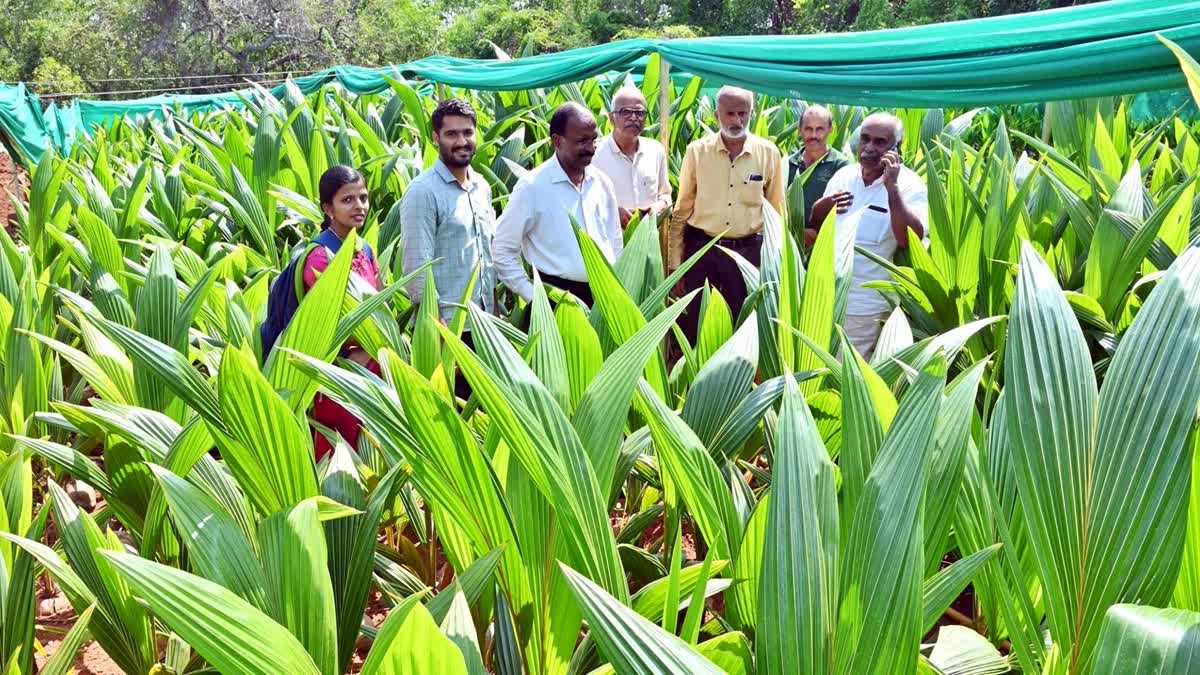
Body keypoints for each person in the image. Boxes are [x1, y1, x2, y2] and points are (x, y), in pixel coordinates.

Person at [669, 85, 785, 339]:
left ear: (752, 112)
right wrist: (676, 263)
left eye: (742, 113)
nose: (736, 120)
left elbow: (777, 213)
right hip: (702, 252)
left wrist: (778, 265)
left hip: (747, 253)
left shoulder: (768, 153)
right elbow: (682, 209)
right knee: (697, 327)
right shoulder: (697, 152)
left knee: (744, 327)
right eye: (729, 113)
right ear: (716, 114)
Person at [810, 113, 928, 359]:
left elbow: (910, 239)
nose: (869, 147)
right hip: (825, 294)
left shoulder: (910, 186)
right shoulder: (844, 176)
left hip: (865, 306)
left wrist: (891, 187)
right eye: (865, 139)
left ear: (896, 148)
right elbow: (820, 225)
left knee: (845, 368)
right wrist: (822, 206)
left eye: (880, 142)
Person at [492, 102, 623, 307]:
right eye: (582, 141)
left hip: (604, 298)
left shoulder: (602, 183)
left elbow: (615, 239)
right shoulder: (531, 187)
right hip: (556, 299)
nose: (590, 148)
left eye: (593, 139)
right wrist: (535, 297)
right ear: (557, 141)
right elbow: (502, 251)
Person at [300, 166, 381, 459]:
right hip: (338, 373)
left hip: (372, 367)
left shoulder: (365, 250)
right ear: (327, 208)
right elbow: (326, 321)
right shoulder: (320, 256)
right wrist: (356, 354)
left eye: (363, 197)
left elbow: (379, 307)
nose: (359, 206)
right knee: (340, 454)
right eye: (347, 200)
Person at [400, 98, 496, 325]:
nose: (462, 141)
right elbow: (416, 267)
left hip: (484, 323)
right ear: (436, 138)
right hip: (447, 325)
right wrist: (437, 327)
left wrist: (494, 314)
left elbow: (486, 257)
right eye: (452, 134)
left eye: (468, 133)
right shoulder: (422, 191)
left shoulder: (482, 186)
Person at [591, 87, 671, 227]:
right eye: (626, 112)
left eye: (640, 113)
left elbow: (665, 194)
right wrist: (613, 212)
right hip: (607, 242)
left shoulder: (656, 150)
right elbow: (583, 200)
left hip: (647, 241)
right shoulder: (594, 154)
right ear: (611, 118)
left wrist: (658, 207)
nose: (634, 117)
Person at [786, 105, 849, 239]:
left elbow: (844, 208)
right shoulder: (787, 164)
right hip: (789, 240)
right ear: (800, 130)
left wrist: (817, 233)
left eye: (820, 129)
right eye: (808, 129)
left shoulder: (841, 165)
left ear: (830, 129)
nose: (814, 135)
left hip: (824, 243)